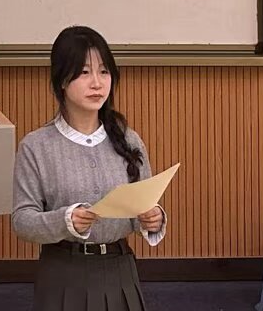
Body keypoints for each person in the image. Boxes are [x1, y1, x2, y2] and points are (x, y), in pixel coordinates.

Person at [11, 26, 166, 311]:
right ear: (62, 80)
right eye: (84, 72)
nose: (97, 83)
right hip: (62, 274)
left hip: (120, 271)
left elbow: (141, 207)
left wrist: (151, 218)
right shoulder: (36, 146)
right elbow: (22, 221)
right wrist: (65, 220)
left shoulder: (129, 139)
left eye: (104, 72)